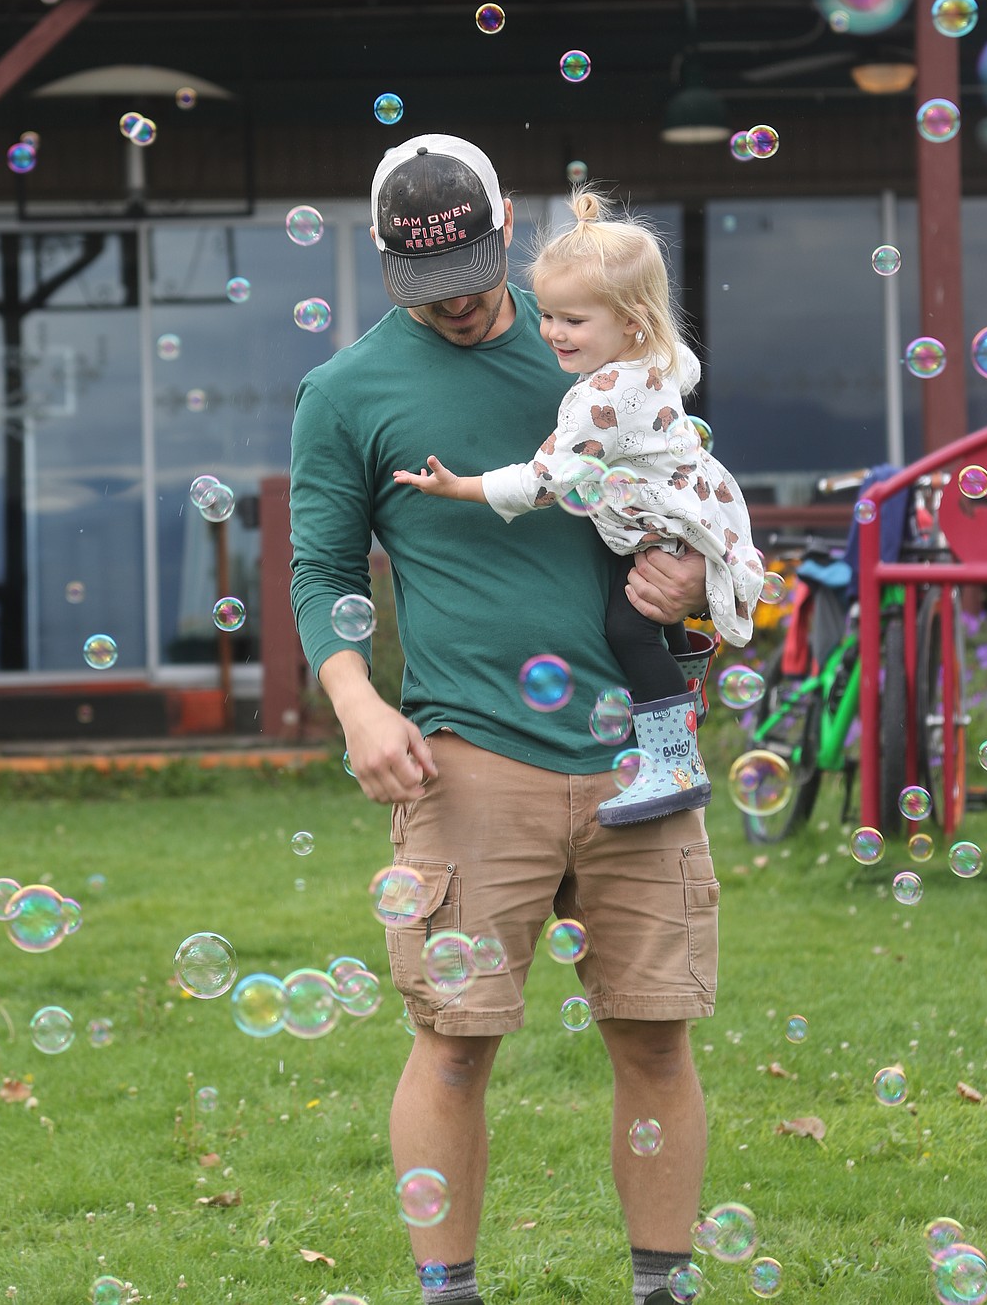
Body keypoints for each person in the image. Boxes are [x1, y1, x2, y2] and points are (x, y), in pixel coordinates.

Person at [290, 134, 720, 1305]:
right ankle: (450, 1294)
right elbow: (320, 566)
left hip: (641, 754)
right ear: (385, 262)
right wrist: (356, 698)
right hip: (470, 760)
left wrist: (693, 583)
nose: (466, 303)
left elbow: (689, 495)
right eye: (430, 287)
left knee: (654, 1035)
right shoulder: (346, 394)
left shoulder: (597, 339)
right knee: (458, 1038)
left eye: (478, 271)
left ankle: (664, 1289)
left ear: (508, 227)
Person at [392, 187, 763, 826]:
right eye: (551, 315)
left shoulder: (599, 400)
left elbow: (545, 481)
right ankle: (681, 708)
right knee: (657, 627)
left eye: (573, 320)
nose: (554, 333)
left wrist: (460, 488)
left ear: (631, 321)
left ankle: (673, 766)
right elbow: (687, 369)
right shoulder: (656, 361)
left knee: (628, 629)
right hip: (681, 514)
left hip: (663, 528)